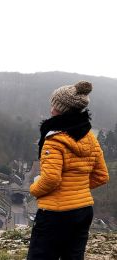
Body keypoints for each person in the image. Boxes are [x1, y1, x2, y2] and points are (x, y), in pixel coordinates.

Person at [27, 81, 109, 260]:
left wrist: (33, 189)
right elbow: (102, 176)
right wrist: (76, 189)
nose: (51, 110)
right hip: (83, 210)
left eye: (54, 106)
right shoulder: (90, 138)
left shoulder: (54, 139)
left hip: (55, 214)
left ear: (62, 109)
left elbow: (50, 179)